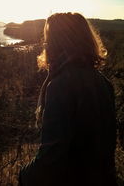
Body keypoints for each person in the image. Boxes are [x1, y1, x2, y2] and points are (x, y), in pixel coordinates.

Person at [19, 13, 117, 186]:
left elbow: (52, 156)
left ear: (60, 43)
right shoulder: (103, 82)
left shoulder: (61, 85)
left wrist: (24, 175)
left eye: (49, 39)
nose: (45, 44)